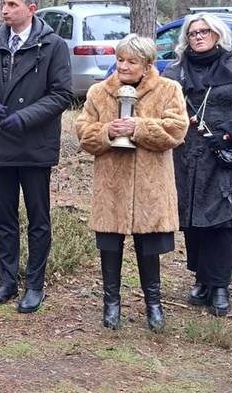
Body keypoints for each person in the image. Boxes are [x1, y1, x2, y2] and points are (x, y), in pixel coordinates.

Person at [0, 0, 73, 313]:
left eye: (12, 4)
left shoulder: (53, 45)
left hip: (35, 144)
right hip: (0, 143)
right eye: (3, 3)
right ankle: (7, 281)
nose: (5, 10)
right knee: (5, 218)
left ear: (31, 9)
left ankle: (35, 285)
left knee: (38, 219)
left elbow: (62, 94)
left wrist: (25, 117)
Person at [76, 34, 188, 331]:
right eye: (120, 60)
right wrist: (107, 132)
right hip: (111, 184)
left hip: (151, 185)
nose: (123, 66)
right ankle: (111, 304)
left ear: (148, 66)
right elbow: (84, 132)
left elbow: (176, 130)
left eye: (131, 62)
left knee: (149, 245)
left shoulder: (169, 90)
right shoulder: (99, 92)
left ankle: (154, 304)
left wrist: (138, 127)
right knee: (110, 245)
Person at [162, 13, 232, 317]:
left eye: (204, 31)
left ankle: (220, 286)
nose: (198, 37)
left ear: (217, 34)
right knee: (192, 219)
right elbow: (163, 107)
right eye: (193, 33)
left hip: (225, 155)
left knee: (221, 222)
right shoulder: (175, 69)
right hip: (186, 155)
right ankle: (202, 280)